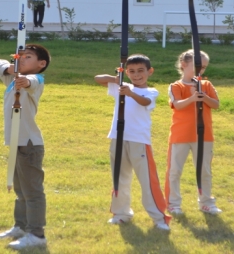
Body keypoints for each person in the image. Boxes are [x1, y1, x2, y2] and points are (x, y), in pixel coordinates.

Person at [94, 54, 171, 231]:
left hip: (139, 140)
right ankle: (121, 213)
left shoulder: (150, 91)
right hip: (118, 137)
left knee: (147, 180)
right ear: (126, 73)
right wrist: (117, 78)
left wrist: (130, 92)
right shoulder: (122, 86)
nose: (136, 75)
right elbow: (98, 78)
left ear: (149, 72)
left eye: (140, 71)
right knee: (119, 178)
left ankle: (159, 217)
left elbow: (145, 102)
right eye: (132, 71)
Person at [0, 44, 51, 250]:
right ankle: (20, 226)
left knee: (32, 190)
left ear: (41, 64)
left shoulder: (36, 80)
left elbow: (31, 81)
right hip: (15, 142)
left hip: (29, 144)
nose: (22, 59)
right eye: (20, 56)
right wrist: (11, 68)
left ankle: (36, 234)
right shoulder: (11, 79)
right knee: (20, 189)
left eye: (28, 57)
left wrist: (24, 80)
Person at [164, 49, 222, 216]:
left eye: (203, 67)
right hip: (181, 135)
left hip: (204, 135)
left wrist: (203, 97)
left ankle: (206, 202)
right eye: (198, 66)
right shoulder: (176, 86)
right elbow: (177, 104)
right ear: (184, 65)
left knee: (204, 170)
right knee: (175, 170)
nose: (201, 70)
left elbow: (216, 104)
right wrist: (192, 98)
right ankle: (173, 203)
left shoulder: (207, 85)